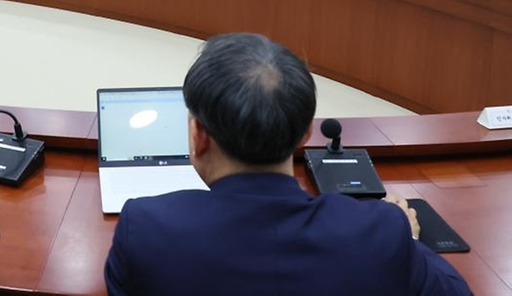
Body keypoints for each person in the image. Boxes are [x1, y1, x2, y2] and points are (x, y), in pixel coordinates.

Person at [105, 32, 472, 296]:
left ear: (198, 135)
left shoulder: (145, 227)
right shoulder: (381, 231)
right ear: (305, 135)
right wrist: (408, 241)